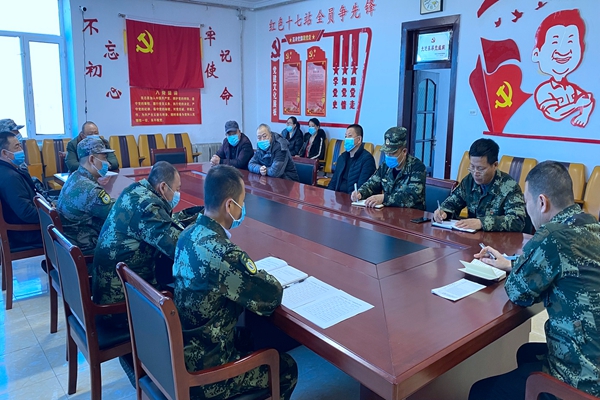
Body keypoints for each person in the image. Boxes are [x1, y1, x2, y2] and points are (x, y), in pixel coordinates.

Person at [469, 161, 600, 400]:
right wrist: (511, 264)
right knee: (528, 353)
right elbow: (566, 270)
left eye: (527, 201)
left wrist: (520, 268)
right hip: (595, 356)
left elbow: (518, 293)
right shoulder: (591, 224)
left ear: (542, 202)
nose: (527, 209)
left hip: (583, 381)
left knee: (480, 392)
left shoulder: (552, 234)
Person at [173, 165, 298, 399]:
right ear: (229, 205)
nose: (243, 208)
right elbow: (271, 296)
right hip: (207, 373)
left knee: (250, 336)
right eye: (242, 202)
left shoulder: (186, 234)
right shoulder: (224, 254)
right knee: (286, 367)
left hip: (184, 348)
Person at [93, 161, 183, 306]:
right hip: (120, 298)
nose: (178, 194)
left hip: (113, 283)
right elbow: (178, 248)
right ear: (163, 187)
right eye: (177, 189)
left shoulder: (135, 190)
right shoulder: (148, 207)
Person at [433, 138, 526, 232]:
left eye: (480, 169)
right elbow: (452, 203)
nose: (475, 173)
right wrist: (443, 212)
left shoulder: (510, 187)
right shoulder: (469, 181)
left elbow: (518, 221)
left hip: (497, 239)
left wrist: (482, 223)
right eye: (472, 167)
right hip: (472, 236)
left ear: (495, 165)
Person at [532, 9, 594, 128]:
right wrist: (576, 105)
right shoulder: (544, 90)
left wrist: (584, 116)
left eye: (570, 41)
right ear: (536, 54)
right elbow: (554, 113)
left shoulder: (572, 88)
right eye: (554, 42)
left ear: (581, 49)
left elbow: (588, 101)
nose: (563, 50)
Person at [56, 137, 115, 256]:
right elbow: (117, 214)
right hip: (86, 248)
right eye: (104, 158)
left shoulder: (75, 176)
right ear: (92, 159)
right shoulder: (91, 190)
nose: (108, 164)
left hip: (69, 244)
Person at [351, 127, 426, 209]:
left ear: (404, 151)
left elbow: (411, 198)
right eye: (386, 152)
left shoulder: (417, 167)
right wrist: (360, 193)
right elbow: (372, 183)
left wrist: (384, 198)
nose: (388, 156)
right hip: (388, 213)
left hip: (411, 214)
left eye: (392, 153)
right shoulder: (385, 166)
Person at [0, 131, 42, 248]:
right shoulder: (10, 177)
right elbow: (26, 213)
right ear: (5, 153)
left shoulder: (7, 170)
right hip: (25, 233)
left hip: (21, 228)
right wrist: (53, 214)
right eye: (17, 147)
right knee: (73, 227)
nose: (21, 150)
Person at [327, 124, 376, 194]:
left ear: (359, 139)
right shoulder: (342, 157)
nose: (346, 139)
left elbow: (363, 188)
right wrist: (328, 195)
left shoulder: (367, 159)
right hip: (338, 196)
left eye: (349, 136)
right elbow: (333, 182)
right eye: (345, 136)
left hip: (353, 198)